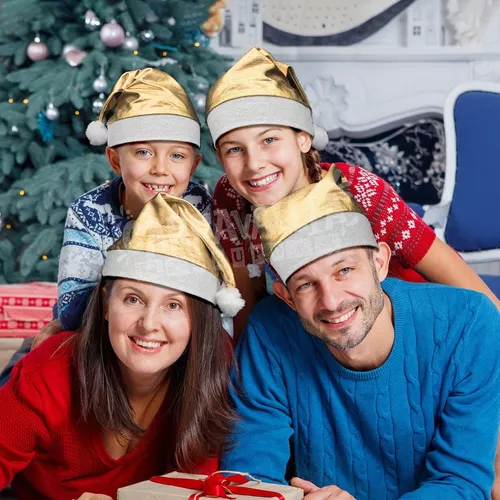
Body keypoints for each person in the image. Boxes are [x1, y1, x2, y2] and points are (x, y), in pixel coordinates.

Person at [221, 167, 500, 499]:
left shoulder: (469, 322)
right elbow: (248, 477)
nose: (332, 301)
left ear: (380, 262)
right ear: (286, 296)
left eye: (345, 270)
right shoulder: (268, 331)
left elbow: (461, 482)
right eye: (306, 284)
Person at [205, 46, 500, 339]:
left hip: (420, 322)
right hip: (330, 324)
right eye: (234, 149)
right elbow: (248, 300)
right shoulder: (231, 197)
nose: (254, 164)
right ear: (219, 157)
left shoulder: (359, 190)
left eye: (269, 139)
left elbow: (463, 284)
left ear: (303, 139)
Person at [0, 193, 245, 499]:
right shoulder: (49, 372)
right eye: (133, 299)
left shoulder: (214, 363)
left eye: (173, 305)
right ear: (105, 302)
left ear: (199, 322)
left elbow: (200, 486)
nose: (149, 324)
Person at [0, 67, 211, 385]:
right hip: (93, 332)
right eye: (143, 152)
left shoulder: (202, 206)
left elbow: (210, 297)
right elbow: (73, 308)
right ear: (114, 160)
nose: (160, 169)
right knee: (36, 365)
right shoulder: (88, 211)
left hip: (169, 334)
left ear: (193, 165)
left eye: (177, 156)